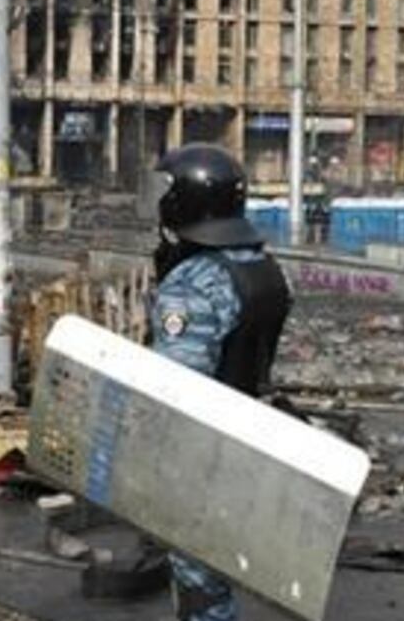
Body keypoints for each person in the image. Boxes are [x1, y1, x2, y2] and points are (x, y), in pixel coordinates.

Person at [147, 144, 293, 621]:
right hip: (247, 429)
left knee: (200, 588)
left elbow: (177, 387)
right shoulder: (262, 266)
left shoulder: (194, 282)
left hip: (201, 454)